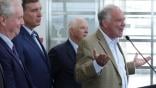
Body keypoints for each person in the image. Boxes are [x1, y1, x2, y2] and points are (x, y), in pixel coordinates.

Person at [75, 4, 151, 88]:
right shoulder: (88, 43)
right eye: (119, 20)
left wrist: (133, 64)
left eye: (124, 20)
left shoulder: (115, 42)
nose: (123, 24)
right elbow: (79, 75)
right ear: (105, 23)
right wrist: (97, 65)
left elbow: (115, 71)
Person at [12, 0, 52, 88]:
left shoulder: (34, 34)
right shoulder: (17, 38)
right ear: (22, 14)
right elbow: (21, 75)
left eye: (40, 9)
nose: (40, 14)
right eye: (34, 10)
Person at [0, 0, 36, 88]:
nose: (23, 22)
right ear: (3, 20)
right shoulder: (1, 51)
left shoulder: (10, 45)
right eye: (19, 18)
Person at [48, 17, 88, 88]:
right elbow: (48, 77)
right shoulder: (57, 52)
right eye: (82, 28)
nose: (86, 31)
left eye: (87, 28)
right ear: (71, 31)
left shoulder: (89, 51)